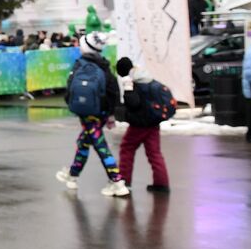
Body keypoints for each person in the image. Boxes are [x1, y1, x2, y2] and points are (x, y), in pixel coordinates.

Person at [56, 31, 125, 194]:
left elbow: (70, 88)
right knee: (84, 142)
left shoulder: (81, 65)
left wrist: (73, 105)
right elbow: (113, 90)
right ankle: (72, 176)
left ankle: (116, 180)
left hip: (87, 112)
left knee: (100, 146)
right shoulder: (104, 66)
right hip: (100, 111)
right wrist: (110, 113)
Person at [115, 57, 172, 190]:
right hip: (153, 122)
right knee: (154, 153)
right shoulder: (145, 74)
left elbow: (134, 103)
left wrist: (128, 89)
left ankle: (124, 181)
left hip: (139, 124)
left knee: (126, 148)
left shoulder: (132, 81)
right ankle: (161, 183)